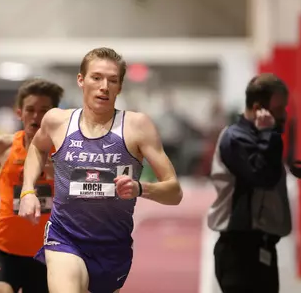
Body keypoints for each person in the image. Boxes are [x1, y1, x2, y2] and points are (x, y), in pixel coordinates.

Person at [18, 47, 183, 293]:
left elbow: (174, 192)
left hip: (112, 247)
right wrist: (27, 191)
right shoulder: (57, 120)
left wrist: (140, 188)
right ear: (81, 80)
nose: (104, 86)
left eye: (112, 80)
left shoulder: (137, 126)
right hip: (65, 237)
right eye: (96, 78)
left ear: (120, 87)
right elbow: (37, 149)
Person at [0, 78, 64, 293]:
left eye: (44, 110)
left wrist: (57, 173)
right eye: (30, 110)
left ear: (54, 114)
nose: (36, 117)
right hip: (6, 251)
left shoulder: (64, 151)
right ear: (19, 112)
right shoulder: (3, 146)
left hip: (48, 254)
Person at [207, 73, 292, 293]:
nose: (284, 115)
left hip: (260, 247)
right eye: (279, 108)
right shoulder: (236, 138)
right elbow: (263, 176)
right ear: (258, 109)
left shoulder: (262, 137)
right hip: (239, 251)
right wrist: (268, 134)